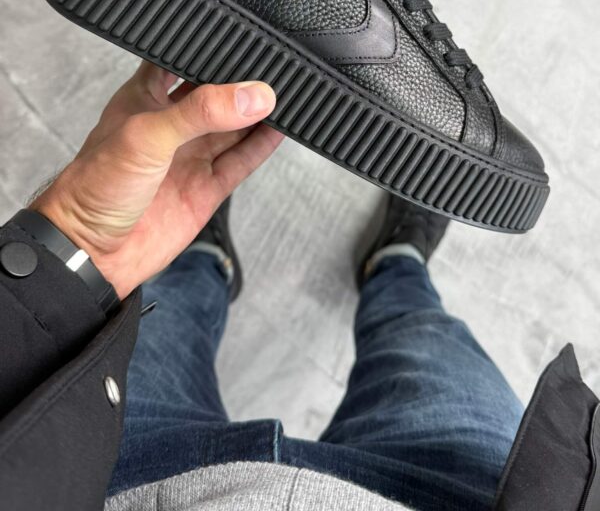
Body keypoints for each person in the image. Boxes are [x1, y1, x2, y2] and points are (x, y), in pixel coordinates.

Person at [0, 64, 596, 511]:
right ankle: (397, 260)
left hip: (106, 469)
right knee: (420, 327)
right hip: (470, 490)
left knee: (173, 303)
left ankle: (205, 256)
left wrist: (68, 249)